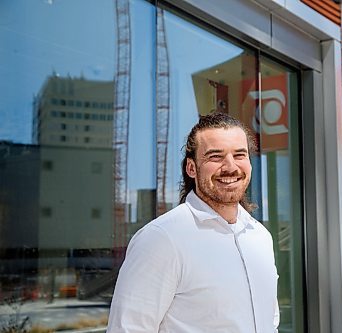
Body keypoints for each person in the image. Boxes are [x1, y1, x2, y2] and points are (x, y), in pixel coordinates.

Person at [107, 112, 279, 333]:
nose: (230, 166)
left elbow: (269, 323)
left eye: (239, 155)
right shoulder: (162, 239)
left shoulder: (261, 237)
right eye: (215, 156)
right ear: (191, 168)